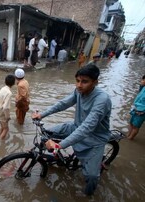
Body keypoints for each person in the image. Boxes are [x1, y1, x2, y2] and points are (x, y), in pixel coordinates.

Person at [32, 64, 112, 196]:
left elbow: (87, 127)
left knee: (91, 176)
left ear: (95, 82)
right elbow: (63, 104)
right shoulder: (78, 91)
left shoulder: (102, 100)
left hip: (94, 137)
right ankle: (53, 159)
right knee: (46, 134)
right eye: (78, 81)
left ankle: (88, 195)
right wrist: (42, 114)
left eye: (84, 81)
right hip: (75, 126)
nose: (79, 85)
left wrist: (59, 145)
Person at [0, 74, 15, 140]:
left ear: (5, 81)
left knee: (2, 127)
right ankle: (1, 143)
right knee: (6, 129)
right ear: (13, 83)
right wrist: (7, 117)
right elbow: (6, 107)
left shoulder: (2, 88)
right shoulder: (9, 93)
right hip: (2, 114)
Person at [127, 75, 145, 140]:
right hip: (136, 108)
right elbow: (139, 94)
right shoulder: (143, 87)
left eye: (143, 80)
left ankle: (130, 138)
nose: (142, 81)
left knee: (136, 126)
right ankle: (128, 135)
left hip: (142, 112)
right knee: (131, 123)